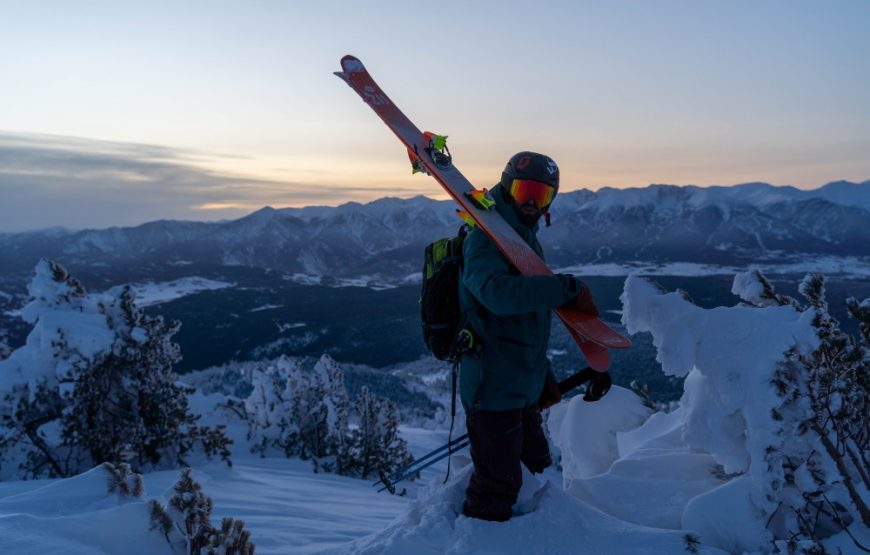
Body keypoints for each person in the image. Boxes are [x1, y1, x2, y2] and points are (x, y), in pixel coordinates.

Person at [457, 151, 599, 522]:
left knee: (537, 466)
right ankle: (480, 543)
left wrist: (542, 377)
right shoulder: (485, 238)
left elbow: (526, 323)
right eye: (525, 192)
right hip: (492, 387)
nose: (533, 203)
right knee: (497, 486)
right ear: (507, 188)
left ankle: (533, 535)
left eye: (543, 195)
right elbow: (497, 295)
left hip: (520, 381)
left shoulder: (521, 238)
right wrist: (563, 290)